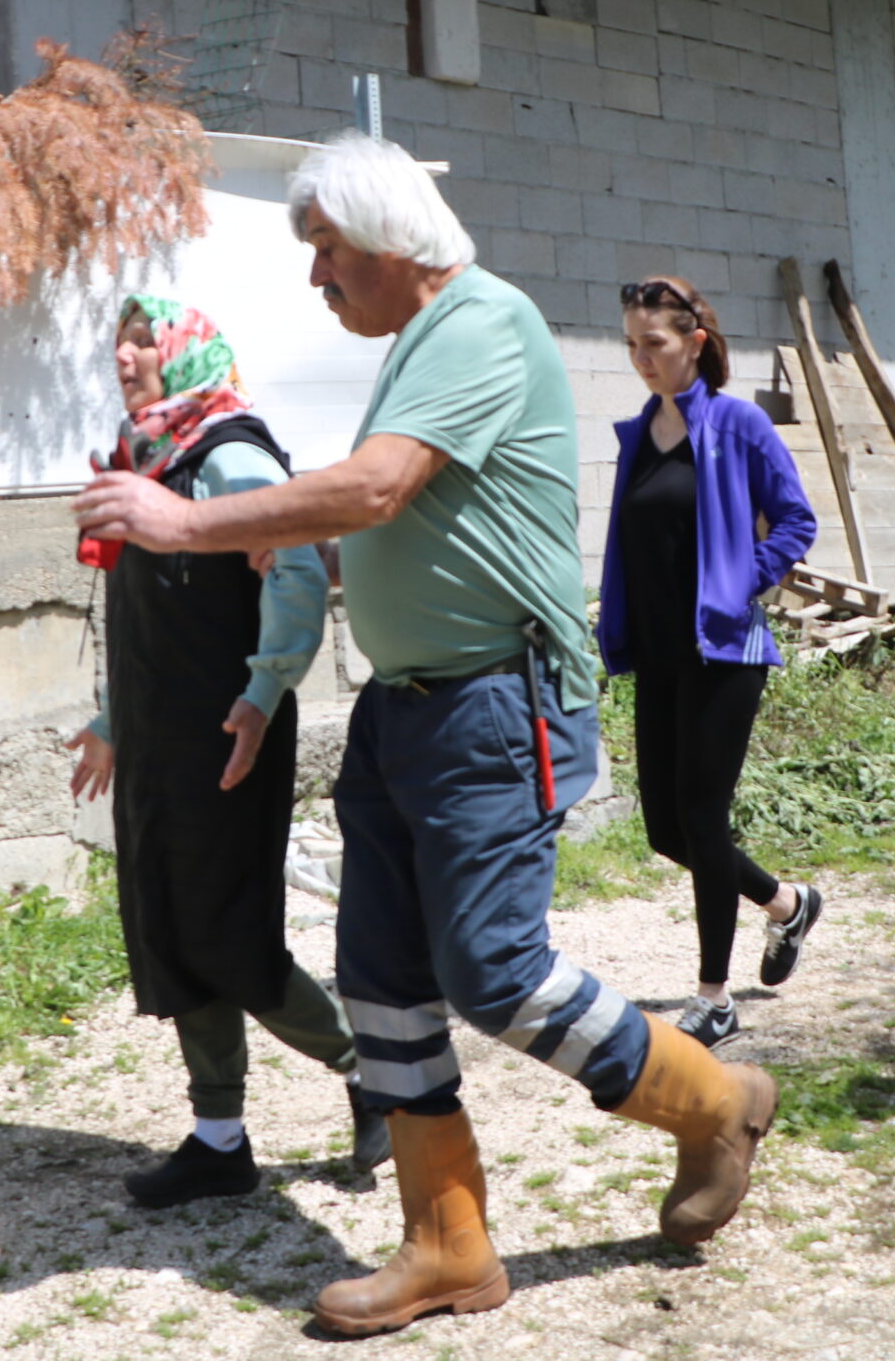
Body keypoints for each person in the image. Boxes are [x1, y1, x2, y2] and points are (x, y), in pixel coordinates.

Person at [74, 136, 776, 1337]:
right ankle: (447, 1244)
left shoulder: (482, 322)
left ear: (391, 239)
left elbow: (382, 484)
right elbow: (408, 513)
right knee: (386, 988)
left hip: (497, 704)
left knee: (490, 972)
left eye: (327, 252)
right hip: (409, 709)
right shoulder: (417, 345)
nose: (317, 281)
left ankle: (711, 1099)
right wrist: (332, 552)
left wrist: (186, 522)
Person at [66, 295, 389, 1208]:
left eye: (143, 340)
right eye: (118, 340)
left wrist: (260, 696)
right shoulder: (146, 459)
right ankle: (220, 1138)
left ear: (185, 351)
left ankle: (369, 1068)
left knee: (227, 932)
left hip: (227, 731)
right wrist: (111, 721)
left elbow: (292, 573)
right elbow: (146, 621)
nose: (125, 356)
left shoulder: (228, 456)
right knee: (169, 922)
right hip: (162, 733)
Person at [599, 275, 823, 1049]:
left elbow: (797, 520)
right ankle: (788, 904)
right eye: (631, 345)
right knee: (665, 829)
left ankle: (714, 996)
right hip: (659, 656)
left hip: (725, 651)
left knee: (701, 813)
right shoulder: (637, 436)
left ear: (694, 342)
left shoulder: (738, 424)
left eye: (653, 344)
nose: (641, 359)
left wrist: (741, 583)